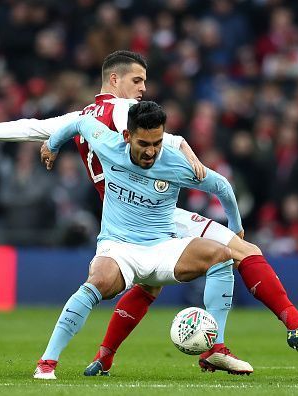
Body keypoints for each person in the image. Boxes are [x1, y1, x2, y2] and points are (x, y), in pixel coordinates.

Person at [0, 50, 298, 377]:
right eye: (138, 81)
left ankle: (113, 355)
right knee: (232, 253)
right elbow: (155, 136)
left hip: (147, 211)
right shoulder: (119, 111)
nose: (143, 89)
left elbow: (30, 127)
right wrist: (185, 146)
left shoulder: (80, 118)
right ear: (114, 81)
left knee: (194, 266)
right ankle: (264, 332)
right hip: (142, 217)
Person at [35, 101, 244, 380]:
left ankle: (215, 348)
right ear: (126, 136)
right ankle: (47, 362)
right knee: (97, 282)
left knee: (222, 255)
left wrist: (236, 226)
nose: (151, 151)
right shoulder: (107, 144)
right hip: (118, 247)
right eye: (143, 143)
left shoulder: (177, 164)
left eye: (157, 142)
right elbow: (78, 123)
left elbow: (222, 186)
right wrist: (52, 144)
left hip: (163, 248)